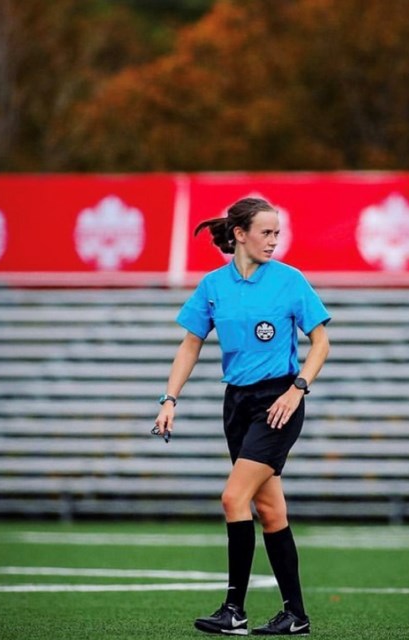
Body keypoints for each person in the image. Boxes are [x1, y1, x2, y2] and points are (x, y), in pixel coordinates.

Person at [153, 196, 330, 636]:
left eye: (277, 233)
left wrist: (297, 389)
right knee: (270, 511)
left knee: (233, 499)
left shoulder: (290, 281)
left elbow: (321, 343)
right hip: (237, 403)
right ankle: (296, 616)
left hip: (279, 402)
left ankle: (234, 610)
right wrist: (169, 399)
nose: (274, 241)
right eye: (266, 232)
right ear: (239, 234)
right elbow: (190, 345)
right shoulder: (213, 286)